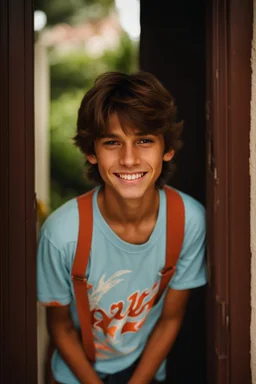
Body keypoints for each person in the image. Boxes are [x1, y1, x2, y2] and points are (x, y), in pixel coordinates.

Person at [37, 71, 207, 384]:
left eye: (144, 140)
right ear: (91, 152)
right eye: (113, 142)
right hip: (77, 373)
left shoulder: (189, 221)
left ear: (167, 149)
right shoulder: (61, 234)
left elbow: (170, 318)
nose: (129, 159)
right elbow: (59, 327)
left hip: (145, 369)